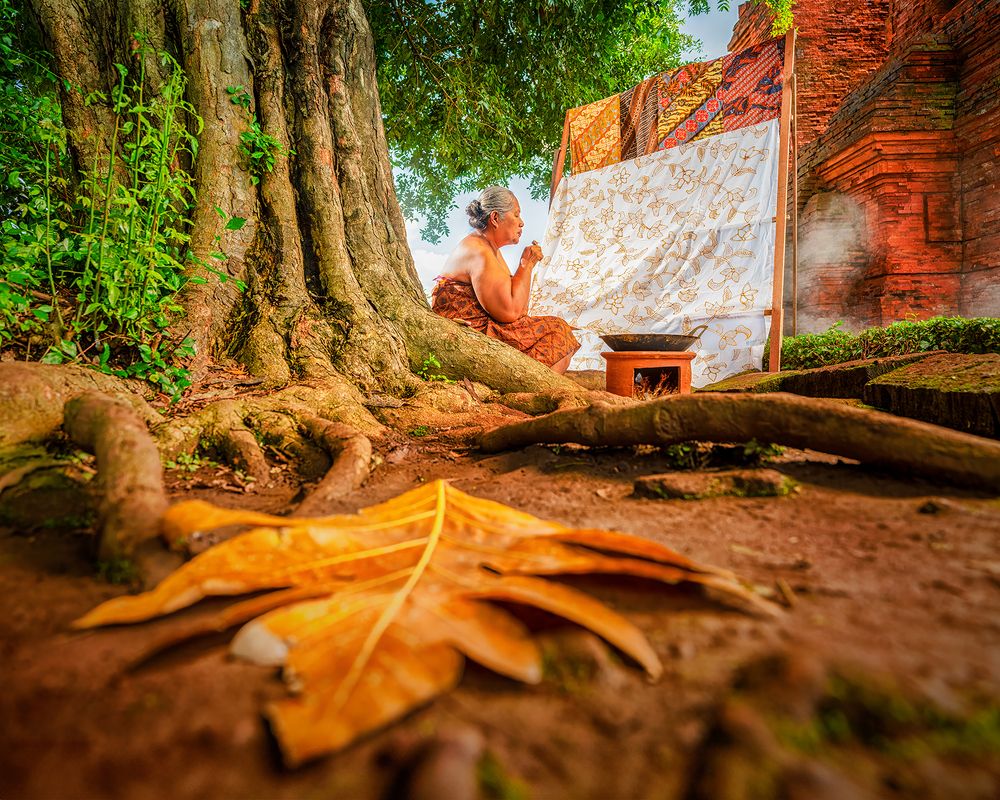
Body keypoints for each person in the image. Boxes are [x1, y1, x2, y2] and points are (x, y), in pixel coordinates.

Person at [432, 186, 580, 373]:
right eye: (516, 215)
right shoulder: (479, 251)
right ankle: (534, 392)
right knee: (557, 331)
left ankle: (537, 389)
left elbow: (520, 311)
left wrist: (527, 265)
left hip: (485, 334)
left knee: (557, 331)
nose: (522, 223)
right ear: (495, 218)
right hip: (468, 341)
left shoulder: (490, 249)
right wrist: (526, 264)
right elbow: (509, 313)